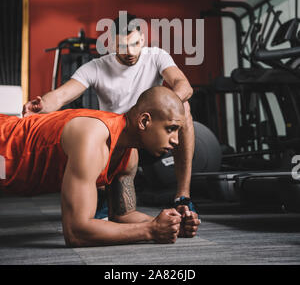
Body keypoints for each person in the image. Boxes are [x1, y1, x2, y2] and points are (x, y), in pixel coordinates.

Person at [23, 13, 195, 211]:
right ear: (112, 43)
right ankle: (104, 193)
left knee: (185, 107)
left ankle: (183, 196)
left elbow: (183, 85)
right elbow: (61, 96)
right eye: (122, 46)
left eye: (135, 44)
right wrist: (41, 105)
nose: (130, 52)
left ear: (143, 40)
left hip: (151, 134)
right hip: (117, 142)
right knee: (98, 133)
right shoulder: (96, 67)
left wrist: (165, 106)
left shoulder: (156, 56)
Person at [1, 86, 200, 247]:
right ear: (144, 121)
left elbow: (123, 215)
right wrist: (151, 230)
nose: (176, 141)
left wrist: (172, 224)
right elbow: (76, 232)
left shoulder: (129, 154)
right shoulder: (92, 137)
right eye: (171, 129)